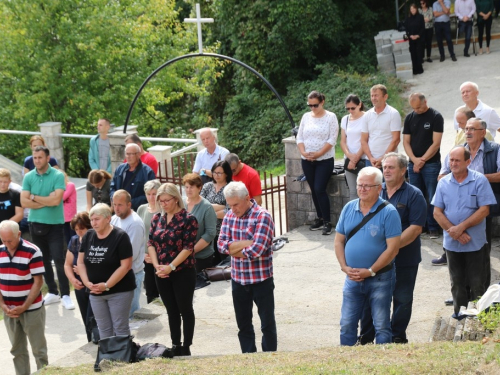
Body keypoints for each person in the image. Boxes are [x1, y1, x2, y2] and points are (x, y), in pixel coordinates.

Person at [358, 154, 426, 344]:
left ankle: (396, 336)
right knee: (372, 298)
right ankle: (367, 336)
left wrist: (391, 249)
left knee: (402, 299)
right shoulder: (375, 192)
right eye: (384, 167)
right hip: (376, 258)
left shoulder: (414, 195)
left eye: (391, 167)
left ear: (403, 170)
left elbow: (415, 229)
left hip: (405, 259)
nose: (386, 171)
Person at [334, 167, 401, 346]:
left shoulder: (389, 212)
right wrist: (344, 266)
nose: (362, 189)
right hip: (352, 277)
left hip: (380, 278)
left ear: (379, 188)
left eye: (367, 186)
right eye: (359, 185)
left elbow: (393, 249)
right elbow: (338, 241)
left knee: (381, 325)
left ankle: (382, 364)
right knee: (347, 323)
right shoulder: (349, 208)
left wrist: (370, 271)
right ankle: (346, 361)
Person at [436, 118, 500, 293]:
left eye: (472, 128)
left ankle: (481, 294)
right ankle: (460, 294)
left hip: (484, 206)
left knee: (481, 253)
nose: (468, 132)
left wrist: (474, 179)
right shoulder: (457, 152)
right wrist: (462, 177)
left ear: (483, 132)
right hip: (455, 207)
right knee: (456, 257)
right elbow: (442, 176)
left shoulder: (494, 149)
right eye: (466, 128)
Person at [432, 146, 496, 318]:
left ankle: (478, 316)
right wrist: (455, 233)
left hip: (475, 242)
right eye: (451, 160)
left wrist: (460, 228)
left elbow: (484, 210)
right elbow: (437, 212)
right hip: (453, 243)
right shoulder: (443, 183)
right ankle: (460, 314)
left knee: (477, 283)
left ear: (468, 162)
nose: (453, 163)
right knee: (457, 282)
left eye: (457, 160)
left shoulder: (479, 180)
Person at [218, 181, 277, 353]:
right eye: (230, 205)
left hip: (261, 280)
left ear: (247, 198)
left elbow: (257, 250)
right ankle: (248, 359)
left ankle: (270, 358)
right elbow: (221, 246)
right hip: (238, 280)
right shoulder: (229, 216)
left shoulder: (262, 216)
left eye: (236, 204)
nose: (233, 209)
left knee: (267, 324)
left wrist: (233, 248)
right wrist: (246, 244)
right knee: (243, 325)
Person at [20, 146, 74, 310]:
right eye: (35, 158)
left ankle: (65, 294)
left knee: (59, 259)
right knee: (42, 261)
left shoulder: (57, 175)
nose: (37, 161)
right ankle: (52, 291)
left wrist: (34, 197)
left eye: (40, 158)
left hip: (55, 225)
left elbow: (56, 201)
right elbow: (24, 202)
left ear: (48, 158)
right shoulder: (28, 177)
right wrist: (46, 199)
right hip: (35, 223)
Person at [147, 183, 198, 356]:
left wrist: (171, 266)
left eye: (166, 200)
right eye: (160, 201)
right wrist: (156, 265)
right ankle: (175, 343)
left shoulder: (188, 219)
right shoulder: (156, 219)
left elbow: (188, 248)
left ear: (176, 199)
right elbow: (151, 244)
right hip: (161, 271)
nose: (163, 204)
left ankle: (187, 345)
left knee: (185, 308)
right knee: (171, 310)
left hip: (182, 271)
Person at [77, 203, 136, 339]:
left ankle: (122, 359)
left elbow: (126, 266)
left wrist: (107, 285)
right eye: (91, 220)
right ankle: (107, 359)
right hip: (95, 291)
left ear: (108, 218)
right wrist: (87, 283)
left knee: (120, 327)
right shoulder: (88, 236)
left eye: (97, 219)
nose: (93, 223)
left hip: (119, 290)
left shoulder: (120, 236)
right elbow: (80, 262)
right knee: (103, 329)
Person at [0, 220, 48, 375]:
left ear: (19, 234)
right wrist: (3, 306)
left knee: (38, 350)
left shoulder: (33, 251)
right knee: (17, 351)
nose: (7, 244)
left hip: (32, 310)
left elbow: (38, 282)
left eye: (10, 240)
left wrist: (24, 306)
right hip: (9, 311)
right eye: (3, 240)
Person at [296, 90, 339, 235]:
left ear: (322, 102)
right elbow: (299, 137)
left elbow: (332, 139)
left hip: (324, 159)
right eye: (310, 105)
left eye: (315, 105)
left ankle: (327, 221)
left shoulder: (331, 117)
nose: (312, 108)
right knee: (313, 189)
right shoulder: (306, 117)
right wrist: (303, 152)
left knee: (320, 188)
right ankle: (320, 217)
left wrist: (319, 153)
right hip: (307, 160)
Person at [402, 93, 443, 239]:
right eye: (414, 108)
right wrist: (414, 159)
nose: (417, 110)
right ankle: (419, 226)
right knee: (415, 196)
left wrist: (422, 160)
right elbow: (406, 142)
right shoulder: (409, 117)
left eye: (419, 107)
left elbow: (436, 143)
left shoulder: (436, 117)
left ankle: (433, 226)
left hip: (431, 164)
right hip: (414, 164)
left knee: (432, 195)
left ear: (425, 101)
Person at [111, 190, 146, 319]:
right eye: (114, 204)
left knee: (129, 317)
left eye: (120, 205)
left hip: (131, 275)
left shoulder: (135, 223)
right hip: (118, 273)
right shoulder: (114, 219)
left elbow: (131, 254)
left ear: (129, 205)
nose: (116, 208)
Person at [64, 212, 94, 342]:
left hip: (93, 284)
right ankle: (90, 341)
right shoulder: (74, 241)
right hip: (79, 286)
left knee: (92, 317)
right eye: (76, 229)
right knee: (85, 318)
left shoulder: (95, 239)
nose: (79, 232)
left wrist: (82, 270)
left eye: (82, 229)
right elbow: (67, 265)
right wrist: (73, 279)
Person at [361, 84, 401, 169]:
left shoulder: (393, 113)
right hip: (370, 161)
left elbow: (396, 139)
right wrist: (370, 158)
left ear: (385, 97)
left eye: (376, 95)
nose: (373, 98)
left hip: (389, 160)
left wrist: (383, 158)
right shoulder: (367, 115)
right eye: (372, 96)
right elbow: (363, 140)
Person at [182, 173, 217, 272]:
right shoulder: (180, 203)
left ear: (199, 188)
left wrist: (190, 251)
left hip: (200, 257)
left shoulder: (207, 207)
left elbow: (210, 234)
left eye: (191, 187)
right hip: (181, 255)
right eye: (186, 187)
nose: (188, 190)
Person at [200, 160, 232, 264]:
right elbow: (200, 206)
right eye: (214, 172)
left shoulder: (230, 188)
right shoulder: (207, 186)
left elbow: (229, 212)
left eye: (219, 173)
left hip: (224, 231)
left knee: (225, 263)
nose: (216, 175)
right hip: (208, 231)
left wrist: (208, 212)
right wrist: (220, 206)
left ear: (226, 173)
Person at [110, 143, 156, 211]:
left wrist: (130, 203)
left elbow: (150, 195)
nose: (128, 156)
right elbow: (112, 187)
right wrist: (115, 198)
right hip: (119, 209)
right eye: (127, 154)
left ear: (138, 155)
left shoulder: (147, 172)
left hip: (137, 209)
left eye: (131, 154)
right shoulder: (120, 169)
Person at [137, 179, 161, 304]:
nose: (151, 197)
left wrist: (155, 255)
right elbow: (139, 234)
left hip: (161, 256)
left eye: (154, 193)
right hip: (146, 257)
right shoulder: (141, 209)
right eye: (148, 194)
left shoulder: (164, 210)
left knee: (163, 290)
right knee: (150, 290)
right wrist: (143, 254)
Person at [340, 94, 367, 201]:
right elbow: (342, 141)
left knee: (365, 190)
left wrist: (355, 158)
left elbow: (367, 140)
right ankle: (354, 216)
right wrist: (349, 156)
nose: (350, 110)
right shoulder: (345, 119)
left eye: (353, 108)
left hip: (364, 158)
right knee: (353, 191)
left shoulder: (367, 117)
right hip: (349, 158)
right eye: (348, 108)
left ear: (359, 105)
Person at [405, 4, 425, 75]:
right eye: (411, 9)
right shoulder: (408, 19)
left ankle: (420, 68)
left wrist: (418, 35)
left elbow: (423, 28)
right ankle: (415, 69)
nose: (412, 10)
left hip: (419, 38)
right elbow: (406, 29)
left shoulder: (420, 17)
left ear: (416, 9)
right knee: (413, 54)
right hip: (411, 39)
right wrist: (410, 35)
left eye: (413, 9)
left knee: (419, 53)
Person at [62, 172, 77, 245]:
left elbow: (61, 198)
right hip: (62, 217)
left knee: (74, 237)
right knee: (67, 238)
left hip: (71, 216)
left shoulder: (70, 185)